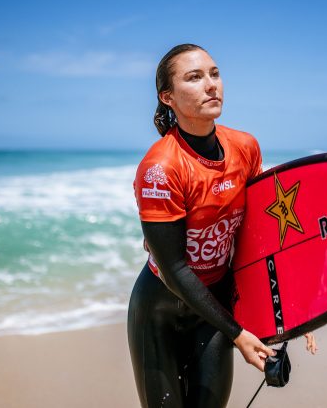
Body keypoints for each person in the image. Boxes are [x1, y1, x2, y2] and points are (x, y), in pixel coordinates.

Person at [127, 44, 316, 408]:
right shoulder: (160, 169)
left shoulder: (245, 147)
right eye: (194, 78)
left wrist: (291, 312)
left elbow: (260, 238)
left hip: (214, 306)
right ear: (167, 97)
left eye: (214, 74)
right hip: (159, 311)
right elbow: (175, 269)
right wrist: (239, 335)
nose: (211, 85)